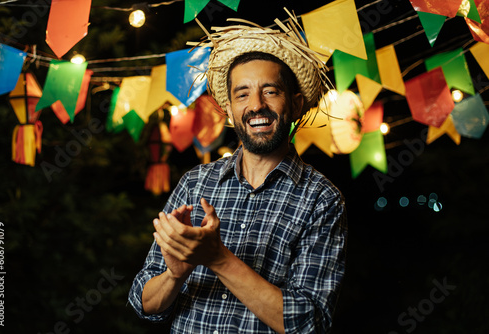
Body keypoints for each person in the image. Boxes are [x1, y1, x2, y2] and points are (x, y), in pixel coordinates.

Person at [129, 15, 347, 334]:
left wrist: (218, 259)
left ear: (296, 104)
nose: (256, 105)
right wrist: (175, 275)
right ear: (230, 110)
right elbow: (142, 302)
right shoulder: (194, 183)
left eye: (270, 91)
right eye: (242, 94)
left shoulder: (322, 200)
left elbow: (309, 323)